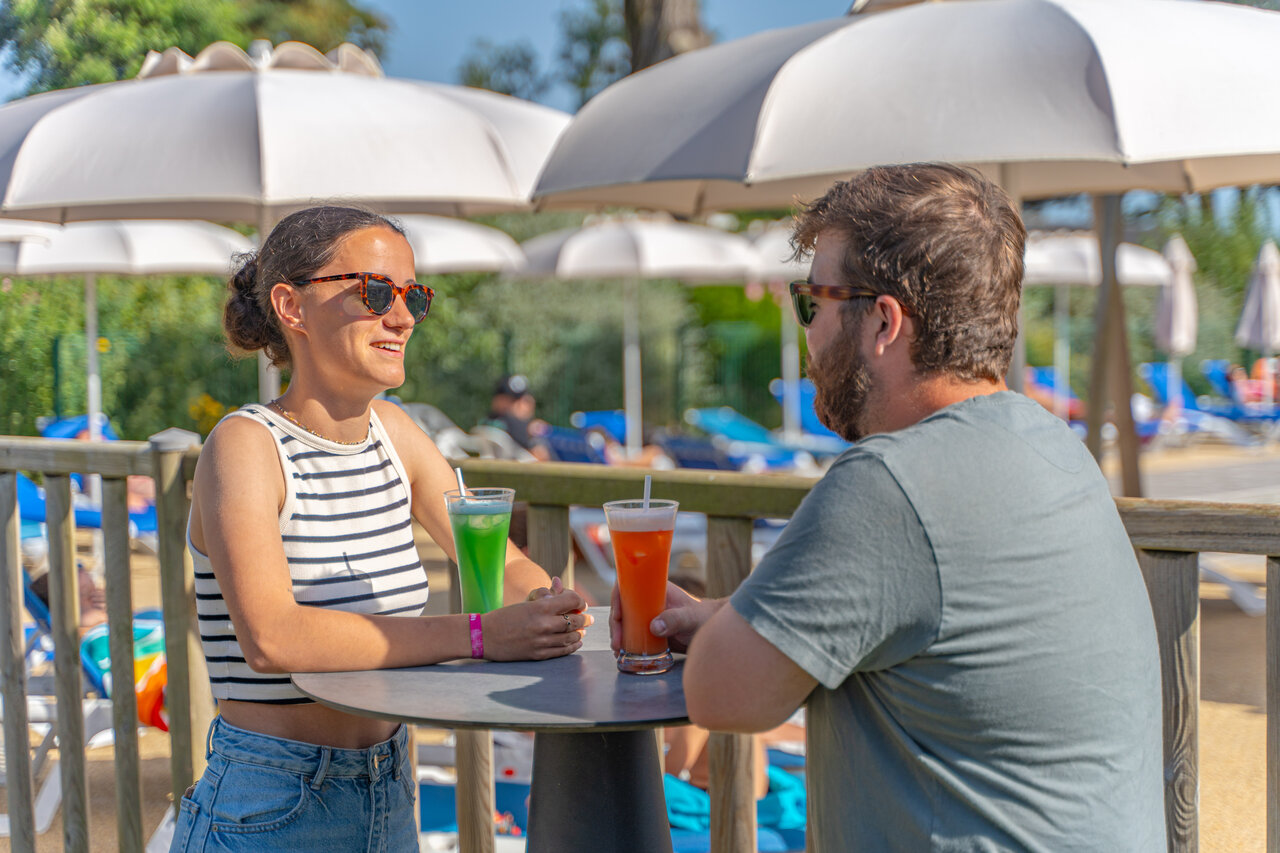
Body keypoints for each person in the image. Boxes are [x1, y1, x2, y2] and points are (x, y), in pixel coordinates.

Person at [614, 164, 1165, 850]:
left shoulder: (887, 483)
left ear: (882, 321)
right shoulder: (1052, 449)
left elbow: (722, 696)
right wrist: (722, 614)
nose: (808, 335)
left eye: (813, 300)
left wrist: (724, 629)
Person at [171, 206, 589, 852]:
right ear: (292, 306)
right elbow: (272, 637)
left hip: (390, 789)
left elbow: (494, 559)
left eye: (413, 297)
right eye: (374, 292)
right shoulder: (244, 446)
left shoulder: (394, 435)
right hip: (270, 802)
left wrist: (547, 603)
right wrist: (479, 635)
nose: (401, 318)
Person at [482, 374, 550, 460]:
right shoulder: (511, 424)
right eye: (512, 401)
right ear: (499, 399)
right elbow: (540, 456)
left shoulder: (486, 422)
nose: (521, 405)